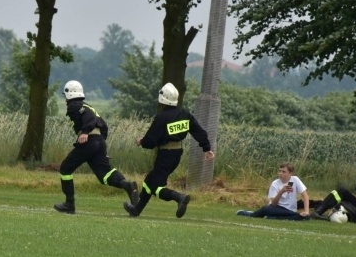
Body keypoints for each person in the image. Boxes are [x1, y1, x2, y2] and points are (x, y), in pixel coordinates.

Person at [123, 83, 214, 219]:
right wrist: (207, 148)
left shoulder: (162, 117)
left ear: (163, 99)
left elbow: (150, 142)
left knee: (154, 185)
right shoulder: (185, 114)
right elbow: (199, 132)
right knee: (150, 181)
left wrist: (141, 141)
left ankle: (179, 197)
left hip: (165, 154)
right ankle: (136, 210)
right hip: (177, 154)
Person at [53, 80, 139, 214]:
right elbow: (103, 126)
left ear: (69, 94)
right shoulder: (88, 106)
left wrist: (86, 132)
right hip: (98, 141)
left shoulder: (74, 106)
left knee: (65, 169)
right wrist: (100, 146)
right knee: (105, 175)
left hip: (89, 142)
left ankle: (69, 204)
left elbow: (91, 119)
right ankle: (127, 185)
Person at [236, 162, 310, 220]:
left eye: (284, 172)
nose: (280, 173)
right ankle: (251, 214)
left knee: (305, 216)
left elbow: (305, 196)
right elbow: (274, 203)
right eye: (279, 171)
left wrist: (306, 211)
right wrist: (281, 192)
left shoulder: (295, 180)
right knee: (266, 209)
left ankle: (275, 217)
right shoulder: (275, 183)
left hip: (290, 210)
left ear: (290, 173)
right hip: (276, 208)